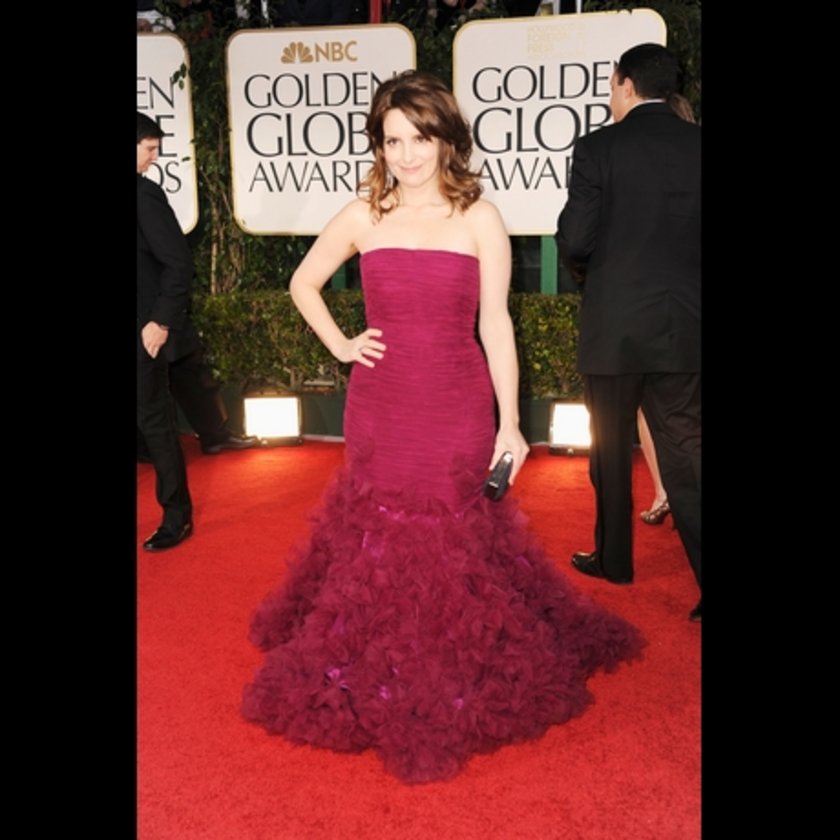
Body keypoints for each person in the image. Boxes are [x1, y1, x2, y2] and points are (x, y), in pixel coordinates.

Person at [241, 70, 643, 784]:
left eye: (420, 138)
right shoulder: (364, 214)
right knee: (379, 535)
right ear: (379, 145)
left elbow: (496, 324)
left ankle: (449, 672)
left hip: (456, 403)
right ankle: (372, 666)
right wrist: (342, 345)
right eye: (392, 140)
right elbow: (304, 281)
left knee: (452, 536)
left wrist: (510, 423)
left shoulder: (478, 217)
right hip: (381, 404)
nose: (406, 154)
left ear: (446, 139)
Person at [555, 44, 701, 621]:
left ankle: (614, 561)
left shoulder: (599, 147)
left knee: (610, 450)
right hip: (685, 325)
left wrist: (593, 278)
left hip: (614, 327)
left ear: (625, 83)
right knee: (687, 453)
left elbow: (576, 239)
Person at [137, 112, 195, 551]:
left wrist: (161, 322)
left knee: (155, 422)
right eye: (149, 148)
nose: (154, 158)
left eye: (156, 149)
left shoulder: (144, 194)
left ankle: (177, 516)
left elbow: (179, 263)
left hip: (143, 330)